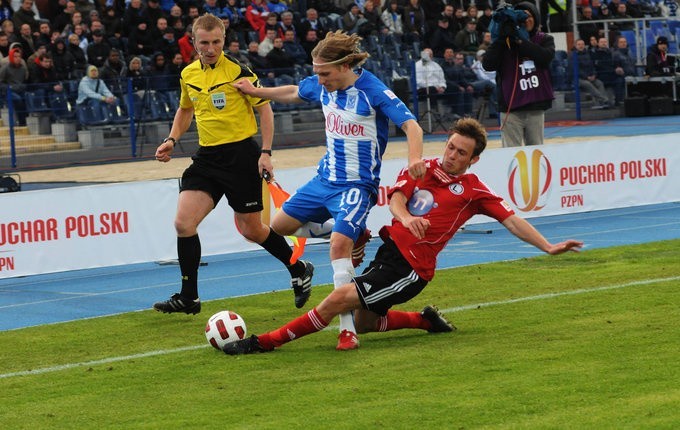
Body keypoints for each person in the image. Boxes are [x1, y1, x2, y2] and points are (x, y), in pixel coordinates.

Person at [222, 117, 584, 355]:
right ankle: (423, 320)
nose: (452, 155)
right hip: (389, 252)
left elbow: (512, 220)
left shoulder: (473, 191)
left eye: (461, 153)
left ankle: (263, 343)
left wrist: (548, 246)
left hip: (410, 270)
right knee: (364, 321)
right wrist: (407, 217)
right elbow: (395, 199)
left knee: (338, 300)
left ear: (473, 160)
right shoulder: (422, 169)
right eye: (451, 147)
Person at [232, 30, 426, 351]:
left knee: (338, 249)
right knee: (279, 227)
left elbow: (412, 126)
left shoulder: (373, 91)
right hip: (324, 179)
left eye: (325, 73)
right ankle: (352, 233)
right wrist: (256, 91)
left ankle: (346, 330)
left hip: (356, 185)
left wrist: (415, 157)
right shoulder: (323, 85)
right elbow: (295, 91)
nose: (319, 79)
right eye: (316, 72)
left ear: (347, 64)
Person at [152, 14, 314, 316]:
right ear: (194, 42)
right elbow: (185, 109)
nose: (210, 48)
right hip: (207, 158)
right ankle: (189, 297)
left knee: (251, 230)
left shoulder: (239, 72)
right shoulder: (188, 73)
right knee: (183, 223)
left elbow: (265, 112)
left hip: (241, 157)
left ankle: (299, 266)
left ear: (224, 40)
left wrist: (265, 152)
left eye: (215, 42)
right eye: (204, 43)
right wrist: (172, 139)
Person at [482, 1, 555, 147]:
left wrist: (520, 41)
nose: (525, 20)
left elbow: (544, 57)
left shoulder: (544, 39)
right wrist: (502, 39)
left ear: (536, 19)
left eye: (529, 16)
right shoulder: (504, 42)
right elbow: (488, 64)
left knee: (536, 150)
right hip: (511, 109)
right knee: (510, 153)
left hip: (535, 106)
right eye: (521, 17)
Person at [569, 39, 610, 109]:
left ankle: (601, 103)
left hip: (590, 77)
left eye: (582, 44)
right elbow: (575, 69)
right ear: (575, 46)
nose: (581, 46)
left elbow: (592, 66)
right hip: (578, 78)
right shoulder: (572, 56)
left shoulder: (588, 54)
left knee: (599, 83)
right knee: (587, 84)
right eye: (579, 44)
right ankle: (605, 100)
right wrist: (586, 77)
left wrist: (594, 75)